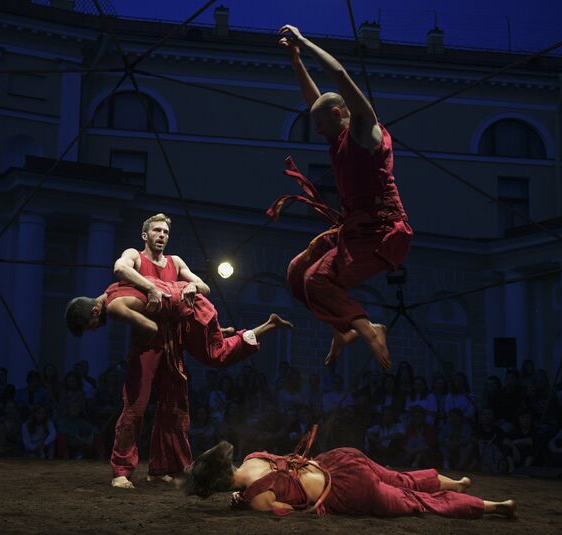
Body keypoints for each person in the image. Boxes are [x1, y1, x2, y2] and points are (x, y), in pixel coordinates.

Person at [64, 213, 293, 489]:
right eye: (157, 231)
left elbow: (203, 288)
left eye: (165, 232)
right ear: (145, 235)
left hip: (173, 336)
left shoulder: (176, 262)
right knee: (135, 407)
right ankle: (122, 471)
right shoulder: (134, 257)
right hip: (148, 343)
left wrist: (194, 285)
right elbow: (119, 269)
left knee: (173, 407)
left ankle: (163, 468)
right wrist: (150, 289)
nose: (162, 235)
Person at [274, 25, 413, 371]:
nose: (318, 133)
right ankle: (343, 326)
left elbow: (338, 75)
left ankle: (369, 328)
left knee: (316, 279)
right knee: (296, 274)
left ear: (338, 115)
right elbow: (315, 102)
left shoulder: (366, 131)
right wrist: (295, 60)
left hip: (381, 231)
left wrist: (305, 42)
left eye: (320, 126)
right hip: (353, 227)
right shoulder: (336, 134)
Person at [184, 439, 516, 519]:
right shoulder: (254, 456)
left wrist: (243, 503)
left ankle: (494, 505)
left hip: (347, 490)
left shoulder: (258, 499)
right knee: (404, 479)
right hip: (341, 460)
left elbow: (285, 508)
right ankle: (455, 483)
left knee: (417, 503)